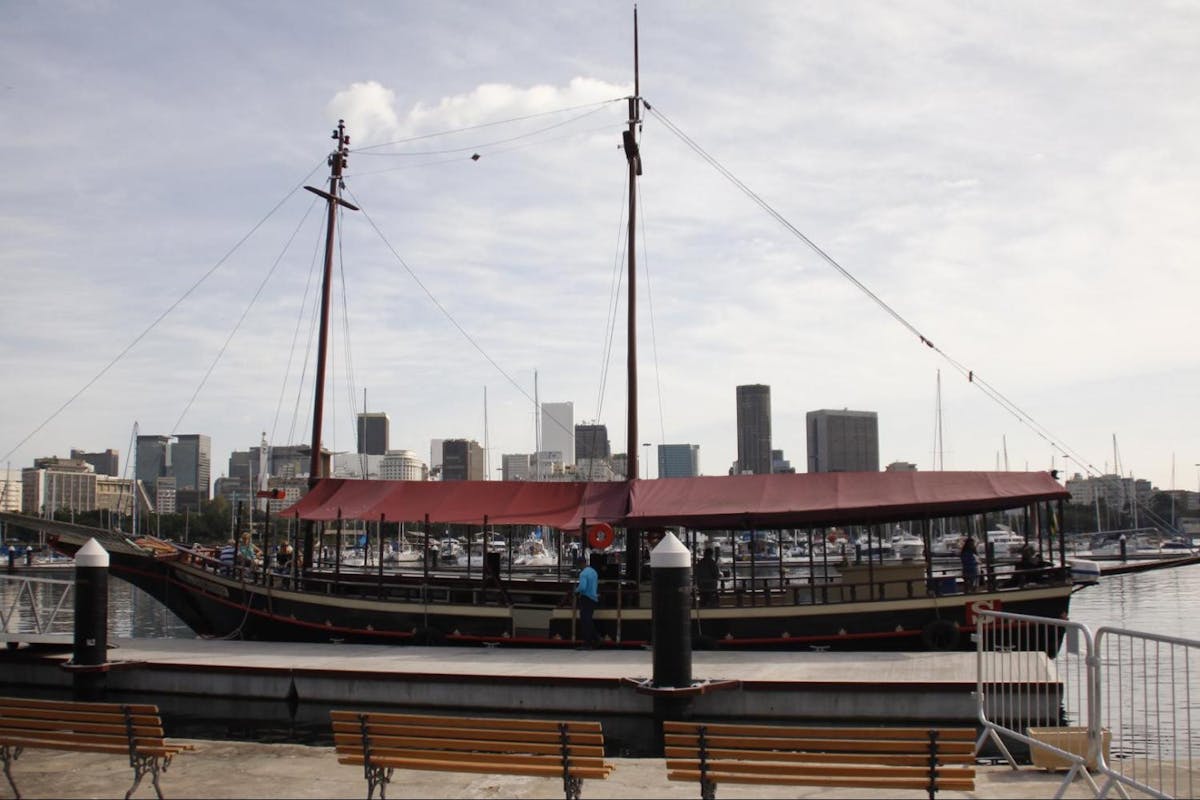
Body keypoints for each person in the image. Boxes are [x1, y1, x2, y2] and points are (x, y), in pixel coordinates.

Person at [575, 554, 600, 649]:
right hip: (593, 598)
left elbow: (582, 587)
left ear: (580, 564)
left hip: (585, 598)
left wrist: (576, 591)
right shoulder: (593, 571)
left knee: (585, 621)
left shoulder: (583, 574)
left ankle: (588, 643)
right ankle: (595, 639)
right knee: (588, 620)